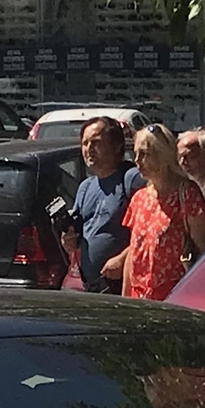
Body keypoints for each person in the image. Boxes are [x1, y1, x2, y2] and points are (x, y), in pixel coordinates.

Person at [108, 124, 205, 299]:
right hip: (139, 296)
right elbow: (134, 253)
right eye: (136, 154)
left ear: (162, 155)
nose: (137, 160)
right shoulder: (140, 198)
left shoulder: (187, 193)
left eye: (144, 154)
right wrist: (126, 299)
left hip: (174, 295)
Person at [60, 115, 142, 292]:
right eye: (85, 143)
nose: (89, 149)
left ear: (117, 145)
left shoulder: (131, 179)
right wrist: (68, 240)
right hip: (89, 288)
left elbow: (150, 231)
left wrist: (123, 259)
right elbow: (77, 234)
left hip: (122, 287)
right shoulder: (85, 187)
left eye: (96, 143)